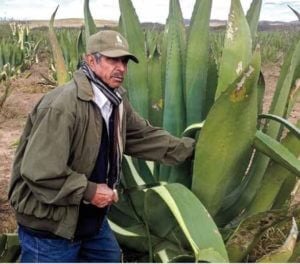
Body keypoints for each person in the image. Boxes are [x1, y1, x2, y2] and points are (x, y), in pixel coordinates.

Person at [8, 30, 195, 263]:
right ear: (90, 60)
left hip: (91, 221)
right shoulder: (63, 106)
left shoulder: (115, 101)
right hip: (51, 226)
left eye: (124, 61)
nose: (121, 68)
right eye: (112, 60)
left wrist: (192, 150)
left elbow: (142, 136)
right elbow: (40, 171)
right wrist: (90, 191)